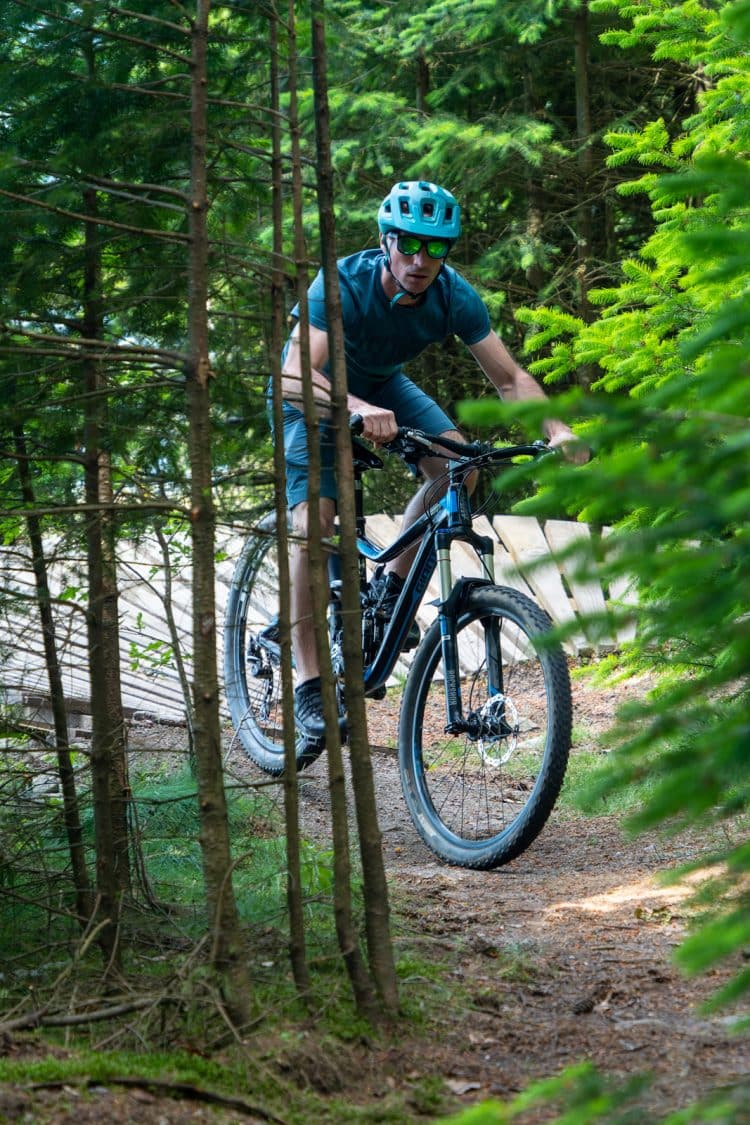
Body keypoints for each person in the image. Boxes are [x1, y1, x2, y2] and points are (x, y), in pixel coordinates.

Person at [280, 180, 586, 742]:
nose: (422, 261)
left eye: (437, 249)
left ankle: (387, 596)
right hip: (316, 394)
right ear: (385, 240)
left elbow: (511, 379)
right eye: (410, 245)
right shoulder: (342, 285)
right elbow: (295, 374)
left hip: (383, 385)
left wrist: (557, 427)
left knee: (458, 467)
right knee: (314, 522)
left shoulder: (453, 296)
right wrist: (357, 407)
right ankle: (307, 681)